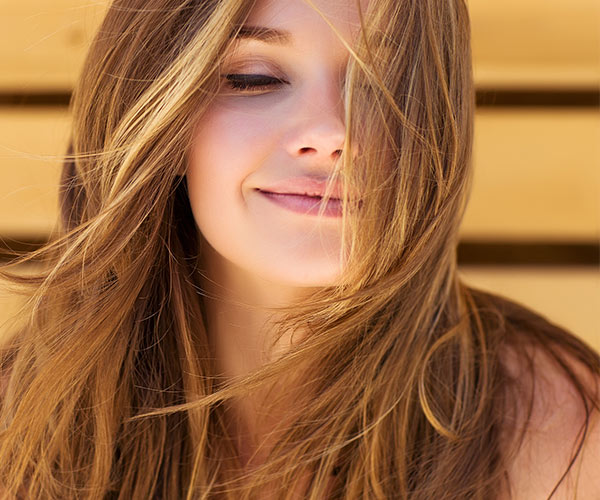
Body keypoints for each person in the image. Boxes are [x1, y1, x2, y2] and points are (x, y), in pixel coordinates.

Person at [0, 0, 598, 498]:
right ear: (162, 115)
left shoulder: (556, 428)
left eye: (384, 84)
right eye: (253, 77)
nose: (331, 134)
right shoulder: (18, 428)